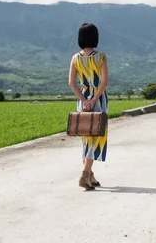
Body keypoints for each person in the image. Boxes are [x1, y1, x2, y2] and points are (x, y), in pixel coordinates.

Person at [68, 23, 109, 190]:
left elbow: (71, 83)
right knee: (96, 137)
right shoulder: (100, 57)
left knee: (86, 138)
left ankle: (90, 175)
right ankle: (85, 174)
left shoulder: (75, 58)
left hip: (82, 100)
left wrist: (84, 100)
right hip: (98, 100)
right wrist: (93, 100)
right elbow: (104, 82)